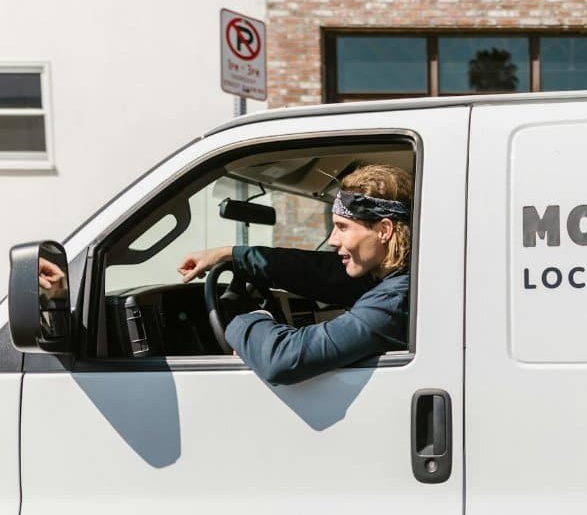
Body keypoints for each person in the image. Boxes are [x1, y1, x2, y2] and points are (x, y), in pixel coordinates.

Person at [177, 163, 413, 385]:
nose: (332, 240)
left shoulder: (394, 301)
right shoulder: (388, 277)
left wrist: (246, 320)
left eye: (343, 227)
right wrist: (229, 254)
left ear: (384, 230)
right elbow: (314, 270)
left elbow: (284, 359)